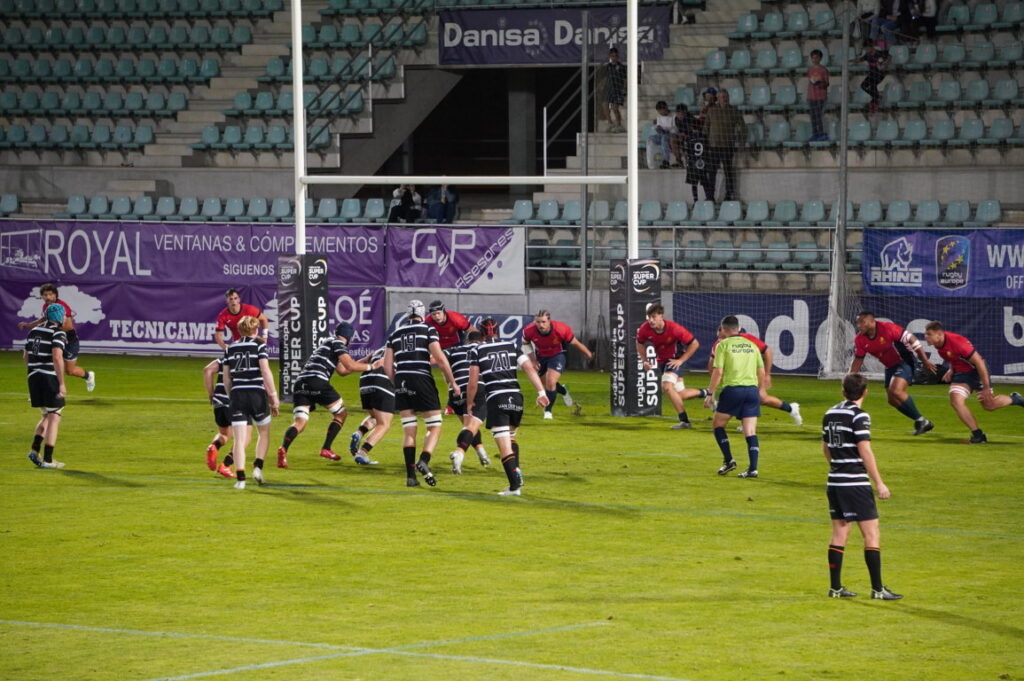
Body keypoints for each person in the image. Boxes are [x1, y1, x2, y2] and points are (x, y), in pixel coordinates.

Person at [823, 373, 902, 600]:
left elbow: (825, 448)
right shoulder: (860, 416)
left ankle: (835, 588)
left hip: (835, 481)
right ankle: (878, 589)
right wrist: (879, 483)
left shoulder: (830, 413)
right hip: (855, 483)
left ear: (843, 391)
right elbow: (865, 450)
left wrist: (838, 466)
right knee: (871, 533)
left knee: (840, 533)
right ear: (865, 392)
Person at [276, 322, 381, 468]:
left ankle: (283, 449)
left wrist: (365, 360)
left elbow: (343, 371)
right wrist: (372, 366)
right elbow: (350, 365)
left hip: (301, 383)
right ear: (349, 337)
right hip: (317, 381)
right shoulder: (338, 343)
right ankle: (326, 448)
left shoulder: (328, 343)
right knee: (341, 414)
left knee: (300, 422)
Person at [384, 299, 460, 487]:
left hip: (402, 380)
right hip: (421, 378)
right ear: (422, 313)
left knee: (409, 430)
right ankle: (424, 461)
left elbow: (387, 366)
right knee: (434, 425)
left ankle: (410, 477)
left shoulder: (394, 334)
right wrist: (452, 382)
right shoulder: (428, 329)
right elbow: (440, 358)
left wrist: (397, 383)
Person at [467, 325, 550, 496]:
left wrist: (470, 402)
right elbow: (528, 368)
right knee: (511, 438)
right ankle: (516, 477)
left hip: (497, 398)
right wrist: (541, 392)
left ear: (482, 335)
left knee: (504, 447)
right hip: (516, 398)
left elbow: (473, 381)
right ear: (498, 331)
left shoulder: (478, 350)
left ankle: (514, 486)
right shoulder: (512, 345)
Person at [923, 321, 1024, 444]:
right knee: (955, 401)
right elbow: (954, 357)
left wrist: (986, 387)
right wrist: (951, 369)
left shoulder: (958, 343)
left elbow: (979, 363)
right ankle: (978, 436)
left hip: (976, 371)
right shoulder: (939, 344)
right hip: (961, 374)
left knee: (989, 405)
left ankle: (1015, 399)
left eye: (929, 334)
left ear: (939, 334)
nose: (926, 337)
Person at [849, 311, 936, 435]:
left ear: (872, 321)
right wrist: (850, 378)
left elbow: (912, 339)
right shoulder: (860, 339)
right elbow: (858, 359)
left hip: (904, 362)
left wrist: (924, 360)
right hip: (890, 367)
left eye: (862, 322)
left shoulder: (888, 328)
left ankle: (922, 421)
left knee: (896, 391)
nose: (859, 325)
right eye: (858, 323)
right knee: (892, 400)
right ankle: (921, 421)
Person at [221, 316, 280, 490]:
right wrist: (274, 396)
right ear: (255, 330)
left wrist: (231, 395)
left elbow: (226, 378)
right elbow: (265, 370)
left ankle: (240, 480)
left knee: (239, 440)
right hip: (256, 394)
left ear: (239, 330)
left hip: (238, 394)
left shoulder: (229, 348)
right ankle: (257, 468)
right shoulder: (259, 346)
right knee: (263, 432)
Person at [703, 315, 765, 478]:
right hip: (751, 391)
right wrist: (759, 390)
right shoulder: (752, 345)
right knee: (750, 431)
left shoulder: (722, 345)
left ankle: (729, 460)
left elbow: (718, 371)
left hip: (733, 391)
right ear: (738, 329)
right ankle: (753, 468)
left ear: (723, 329)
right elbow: (761, 372)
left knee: (718, 425)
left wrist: (710, 392)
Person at [708, 326, 802, 426]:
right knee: (754, 398)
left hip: (752, 374)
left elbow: (767, 350)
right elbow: (712, 363)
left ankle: (791, 408)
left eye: (721, 330)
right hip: (735, 378)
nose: (718, 333)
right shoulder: (718, 344)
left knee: (760, 397)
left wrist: (767, 374)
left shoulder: (746, 338)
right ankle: (791, 408)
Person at [635, 303, 708, 430]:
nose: (651, 320)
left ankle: (684, 421)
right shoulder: (644, 328)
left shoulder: (674, 328)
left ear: (661, 316)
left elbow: (694, 343)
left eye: (653, 317)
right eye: (649, 317)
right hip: (663, 361)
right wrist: (644, 361)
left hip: (674, 359)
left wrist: (681, 360)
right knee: (680, 394)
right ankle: (706, 393)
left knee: (667, 386)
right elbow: (639, 343)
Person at [18, 283, 95, 392]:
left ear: (55, 295)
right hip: (54, 339)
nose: (48, 297)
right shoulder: (46, 306)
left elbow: (68, 326)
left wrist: (49, 331)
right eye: (45, 295)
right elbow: (43, 320)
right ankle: (43, 392)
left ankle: (88, 376)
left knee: (70, 370)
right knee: (47, 363)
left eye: (50, 294)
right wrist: (28, 325)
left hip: (69, 341)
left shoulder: (61, 306)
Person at [523, 309, 593, 420]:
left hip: (557, 355)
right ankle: (564, 391)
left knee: (551, 382)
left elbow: (575, 343)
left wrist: (588, 354)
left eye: (543, 322)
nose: (540, 325)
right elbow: (525, 343)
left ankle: (548, 411)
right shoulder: (529, 330)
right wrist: (532, 360)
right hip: (541, 356)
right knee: (545, 385)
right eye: (538, 322)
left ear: (549, 321)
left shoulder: (561, 329)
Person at [25, 303, 69, 469]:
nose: (65, 317)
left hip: (33, 377)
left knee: (46, 415)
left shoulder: (33, 331)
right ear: (58, 316)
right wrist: (62, 383)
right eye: (63, 314)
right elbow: (57, 357)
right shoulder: (57, 332)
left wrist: (33, 373)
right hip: (49, 378)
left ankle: (35, 451)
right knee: (55, 417)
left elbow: (26, 355)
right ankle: (49, 460)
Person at [447, 329, 493, 474]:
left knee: (470, 427)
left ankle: (482, 453)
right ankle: (458, 453)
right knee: (471, 426)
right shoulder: (483, 349)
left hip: (455, 390)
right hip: (476, 387)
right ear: (482, 340)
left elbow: (436, 359)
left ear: (467, 340)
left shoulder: (454, 350)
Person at [350, 345, 394, 465]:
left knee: (375, 416)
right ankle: (362, 453)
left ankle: (359, 433)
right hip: (382, 379)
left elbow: (364, 360)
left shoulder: (380, 349)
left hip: (365, 380)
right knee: (384, 424)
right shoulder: (403, 347)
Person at [202, 357, 241, 478]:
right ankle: (226, 465)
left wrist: (211, 394)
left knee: (224, 433)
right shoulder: (249, 357)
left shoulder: (226, 357)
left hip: (218, 402)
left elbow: (207, 370)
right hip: (235, 402)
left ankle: (214, 446)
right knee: (243, 439)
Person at [704, 89, 745, 202]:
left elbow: (743, 127)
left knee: (728, 171)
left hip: (727, 146)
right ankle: (709, 196)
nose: (724, 98)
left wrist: (742, 142)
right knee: (711, 172)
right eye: (722, 96)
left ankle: (729, 195)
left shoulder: (734, 111)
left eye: (726, 96)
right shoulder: (711, 111)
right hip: (713, 146)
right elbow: (706, 128)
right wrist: (704, 143)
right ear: (718, 98)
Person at [854, 41, 890, 114]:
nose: (866, 50)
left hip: (880, 74)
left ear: (871, 46)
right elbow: (860, 59)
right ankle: (876, 98)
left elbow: (889, 55)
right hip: (872, 74)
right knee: (863, 86)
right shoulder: (867, 55)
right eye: (865, 49)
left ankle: (875, 101)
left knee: (873, 85)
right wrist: (851, 61)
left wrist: (886, 63)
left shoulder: (879, 53)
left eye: (867, 48)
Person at [807, 49, 830, 141]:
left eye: (816, 57)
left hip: (820, 96)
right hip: (811, 96)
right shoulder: (810, 70)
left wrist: (820, 83)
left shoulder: (823, 70)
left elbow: (827, 83)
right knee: (813, 116)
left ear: (820, 58)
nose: (814, 59)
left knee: (818, 115)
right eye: (813, 58)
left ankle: (820, 133)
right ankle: (815, 133)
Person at [646, 100, 674, 170]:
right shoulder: (659, 117)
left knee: (664, 139)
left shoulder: (673, 116)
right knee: (651, 138)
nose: (660, 113)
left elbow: (673, 129)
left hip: (670, 134)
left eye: (661, 110)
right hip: (661, 134)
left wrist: (666, 130)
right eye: (659, 111)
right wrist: (658, 128)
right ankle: (651, 160)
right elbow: (659, 126)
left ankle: (666, 160)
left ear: (665, 109)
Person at [604, 47, 626, 133]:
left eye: (615, 56)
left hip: (618, 89)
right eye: (612, 56)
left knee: (615, 108)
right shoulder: (608, 67)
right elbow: (605, 78)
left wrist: (624, 89)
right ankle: (610, 123)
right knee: (604, 105)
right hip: (609, 89)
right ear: (609, 56)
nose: (614, 57)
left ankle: (619, 125)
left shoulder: (621, 67)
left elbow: (625, 79)